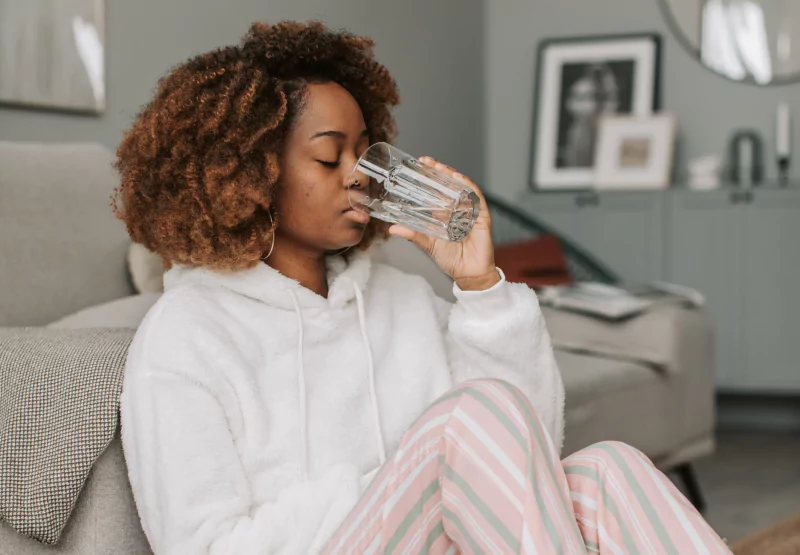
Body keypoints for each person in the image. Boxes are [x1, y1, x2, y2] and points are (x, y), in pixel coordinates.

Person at [116, 21, 732, 555]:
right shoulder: (185, 337)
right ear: (249, 175)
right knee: (459, 425)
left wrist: (480, 285)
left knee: (606, 471)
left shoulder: (401, 301)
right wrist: (402, 484)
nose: (361, 178)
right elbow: (202, 546)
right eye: (332, 160)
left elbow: (525, 458)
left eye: (367, 152)